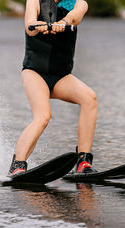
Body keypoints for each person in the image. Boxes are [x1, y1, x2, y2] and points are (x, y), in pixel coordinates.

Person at [8, 0, 97, 175]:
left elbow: (75, 17)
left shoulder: (79, 3)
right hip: (35, 73)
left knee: (89, 98)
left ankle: (83, 162)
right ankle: (17, 165)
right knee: (43, 116)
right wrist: (37, 26)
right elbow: (29, 25)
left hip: (61, 77)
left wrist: (63, 23)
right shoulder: (34, 1)